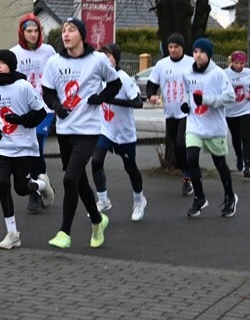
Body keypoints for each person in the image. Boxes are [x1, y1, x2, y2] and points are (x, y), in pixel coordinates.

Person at [41, 18, 121, 249]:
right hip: (65, 130)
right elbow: (47, 91)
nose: (66, 34)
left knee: (69, 179)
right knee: (78, 180)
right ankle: (97, 221)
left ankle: (64, 233)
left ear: (82, 35)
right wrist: (57, 106)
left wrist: (100, 98)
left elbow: (114, 84)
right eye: (64, 31)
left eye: (72, 30)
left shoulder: (97, 60)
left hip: (89, 130)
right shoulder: (54, 62)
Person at [0, 49, 51, 250]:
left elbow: (40, 114)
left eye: (2, 62)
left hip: (24, 148)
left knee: (21, 189)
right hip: (2, 147)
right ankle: (12, 233)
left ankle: (42, 185)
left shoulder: (23, 87)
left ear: (11, 66)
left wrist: (20, 120)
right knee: (3, 183)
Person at [89, 44, 148, 222]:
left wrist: (110, 100)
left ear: (116, 58)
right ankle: (103, 200)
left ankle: (139, 200)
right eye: (102, 56)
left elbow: (138, 103)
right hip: (105, 130)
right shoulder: (97, 78)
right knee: (96, 161)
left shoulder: (123, 78)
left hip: (124, 133)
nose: (105, 59)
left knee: (130, 167)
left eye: (108, 56)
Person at [182, 38, 238, 217]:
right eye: (195, 51)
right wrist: (186, 104)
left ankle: (230, 196)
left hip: (214, 127)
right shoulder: (187, 73)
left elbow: (230, 97)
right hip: (194, 124)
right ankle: (199, 198)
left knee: (220, 164)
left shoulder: (218, 74)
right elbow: (187, 92)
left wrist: (206, 100)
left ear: (209, 54)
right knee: (191, 158)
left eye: (202, 52)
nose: (198, 55)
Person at [9, 13, 57, 214]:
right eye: (29, 31)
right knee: (28, 150)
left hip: (44, 108)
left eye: (36, 30)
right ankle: (41, 184)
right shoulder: (14, 53)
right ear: (22, 32)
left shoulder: (48, 51)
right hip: (24, 109)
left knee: (36, 143)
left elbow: (56, 75)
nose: (33, 34)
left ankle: (34, 193)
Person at [146, 33, 195, 195]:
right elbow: (152, 84)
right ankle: (187, 175)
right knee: (176, 148)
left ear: (182, 48)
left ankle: (189, 175)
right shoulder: (161, 65)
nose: (173, 50)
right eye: (170, 47)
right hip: (170, 112)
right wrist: (151, 95)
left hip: (187, 112)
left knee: (181, 143)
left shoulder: (191, 62)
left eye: (176, 47)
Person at [224, 51, 250, 178]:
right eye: (236, 63)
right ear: (232, 62)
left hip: (246, 108)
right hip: (231, 110)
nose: (239, 66)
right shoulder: (225, 73)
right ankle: (239, 155)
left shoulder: (248, 72)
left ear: (245, 63)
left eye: (242, 63)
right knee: (236, 136)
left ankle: (247, 166)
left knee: (245, 137)